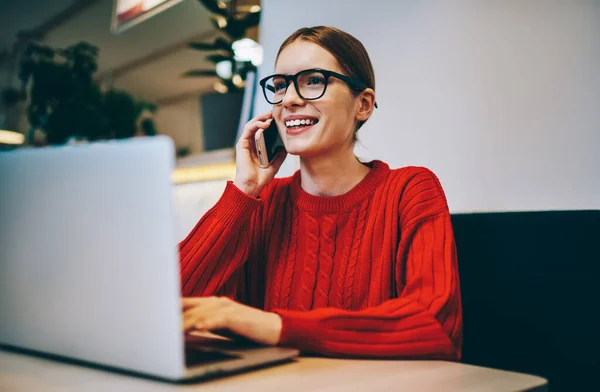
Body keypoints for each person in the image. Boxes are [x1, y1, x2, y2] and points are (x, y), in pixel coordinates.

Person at [180, 26, 462, 360]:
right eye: (281, 85)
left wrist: (269, 325)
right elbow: (170, 312)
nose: (289, 100)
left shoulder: (410, 191)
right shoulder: (262, 203)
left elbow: (436, 328)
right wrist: (244, 191)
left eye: (314, 80)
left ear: (363, 104)